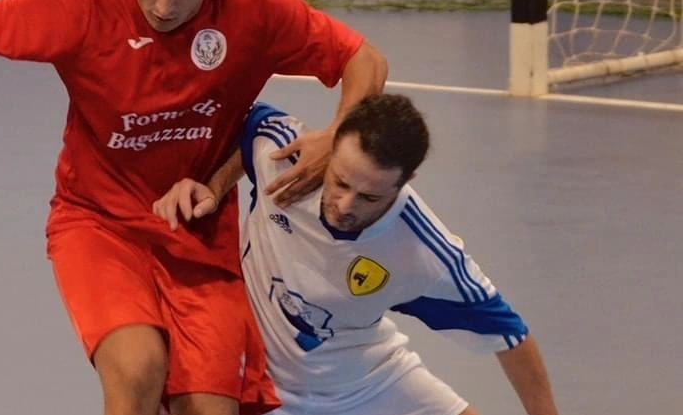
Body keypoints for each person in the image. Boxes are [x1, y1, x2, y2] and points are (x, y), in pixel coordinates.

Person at [0, 0, 389, 414]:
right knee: (137, 370)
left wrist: (336, 136)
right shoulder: (85, 3)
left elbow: (364, 59)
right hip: (98, 224)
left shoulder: (254, 10)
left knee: (210, 408)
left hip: (200, 237)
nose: (165, 6)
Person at [153, 94, 560, 415]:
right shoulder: (284, 155)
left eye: (368, 196)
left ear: (405, 183)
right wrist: (215, 185)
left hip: (367, 379)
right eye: (340, 182)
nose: (345, 205)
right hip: (266, 384)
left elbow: (511, 338)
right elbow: (239, 121)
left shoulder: (422, 249)